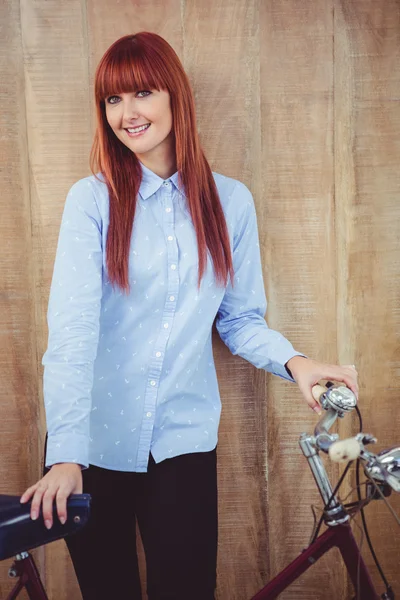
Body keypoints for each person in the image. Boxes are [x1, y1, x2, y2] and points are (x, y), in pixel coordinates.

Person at [20, 32, 358, 600]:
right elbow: (73, 334)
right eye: (112, 100)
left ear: (176, 95)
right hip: (91, 445)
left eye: (142, 93)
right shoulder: (92, 201)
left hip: (182, 444)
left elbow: (239, 319)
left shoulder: (231, 203)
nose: (126, 114)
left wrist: (295, 362)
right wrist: (66, 457)